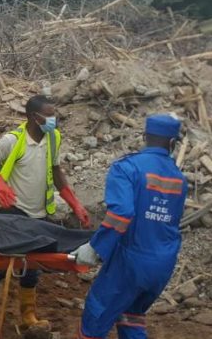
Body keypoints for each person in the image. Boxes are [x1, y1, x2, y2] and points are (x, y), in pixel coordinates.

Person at [0, 95, 90, 329]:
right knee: (3, 262)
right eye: (50, 115)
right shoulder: (13, 140)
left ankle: (28, 315)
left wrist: (74, 203)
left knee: (32, 266)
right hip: (15, 213)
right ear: (35, 117)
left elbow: (55, 171)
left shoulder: (53, 137)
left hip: (39, 215)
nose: (54, 120)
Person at [72, 114, 188, 339]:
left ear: (144, 137)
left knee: (97, 313)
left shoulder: (127, 168)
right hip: (163, 263)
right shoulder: (179, 179)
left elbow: (122, 213)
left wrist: (96, 248)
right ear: (172, 144)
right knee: (131, 316)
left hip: (132, 260)